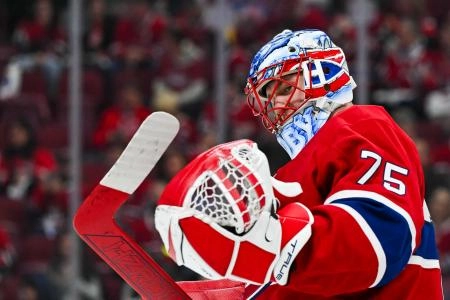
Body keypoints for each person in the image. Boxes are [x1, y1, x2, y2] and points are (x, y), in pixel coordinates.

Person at [154, 29, 443, 299]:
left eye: (281, 88)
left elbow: (381, 239)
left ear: (323, 73)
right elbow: (282, 281)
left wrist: (274, 245)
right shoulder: (290, 175)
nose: (275, 106)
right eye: (266, 98)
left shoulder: (362, 126)